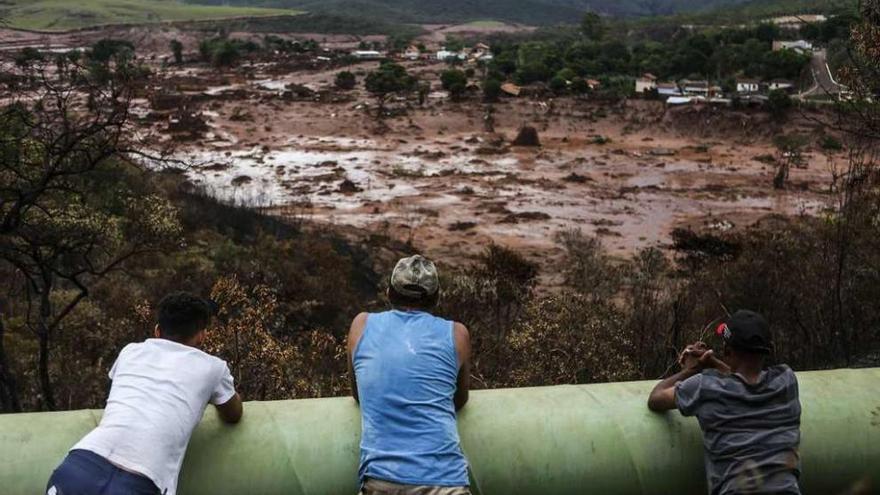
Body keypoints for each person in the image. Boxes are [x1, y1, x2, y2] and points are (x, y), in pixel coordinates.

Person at [47, 292, 243, 495]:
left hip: (80, 465)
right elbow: (233, 414)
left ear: (157, 330)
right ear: (202, 335)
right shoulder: (213, 367)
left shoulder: (130, 351)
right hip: (142, 482)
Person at [347, 255, 472, 495]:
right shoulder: (457, 334)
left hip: (381, 480)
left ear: (389, 293)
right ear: (436, 298)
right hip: (444, 482)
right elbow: (460, 399)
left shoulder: (361, 325)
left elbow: (359, 394)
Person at [647, 310, 802, 495]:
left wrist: (694, 369)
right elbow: (745, 382)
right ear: (769, 349)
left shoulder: (706, 388)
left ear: (727, 351)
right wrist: (715, 364)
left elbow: (656, 398)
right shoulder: (787, 382)